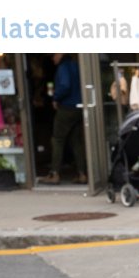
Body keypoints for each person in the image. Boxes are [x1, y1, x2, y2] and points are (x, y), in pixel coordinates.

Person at [46, 53, 85, 184]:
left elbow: (65, 85)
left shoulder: (63, 67)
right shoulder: (76, 65)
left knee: (57, 139)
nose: (52, 58)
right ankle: (82, 173)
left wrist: (56, 98)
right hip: (79, 106)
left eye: (53, 55)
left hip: (67, 106)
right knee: (76, 140)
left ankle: (54, 173)